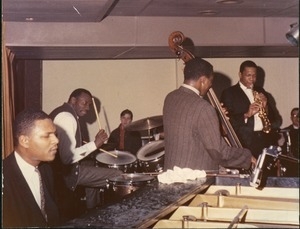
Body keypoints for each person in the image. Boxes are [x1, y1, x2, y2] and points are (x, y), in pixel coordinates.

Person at [163, 57, 256, 172]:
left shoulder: (170, 98)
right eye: (210, 81)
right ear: (202, 80)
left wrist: (216, 119)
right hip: (194, 178)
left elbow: (192, 131)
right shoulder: (203, 108)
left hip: (171, 173)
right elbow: (220, 153)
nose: (210, 86)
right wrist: (248, 157)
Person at [49, 88, 122, 211]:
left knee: (92, 164)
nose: (88, 108)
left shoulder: (61, 112)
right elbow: (67, 158)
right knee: (118, 175)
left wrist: (93, 144)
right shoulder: (67, 117)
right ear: (73, 100)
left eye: (89, 104)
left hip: (58, 170)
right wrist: (95, 144)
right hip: (65, 175)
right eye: (84, 103)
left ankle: (92, 210)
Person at [3, 109, 60, 227]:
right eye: (46, 136)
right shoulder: (5, 177)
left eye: (55, 134)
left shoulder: (46, 170)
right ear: (24, 141)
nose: (56, 140)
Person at [220, 60, 281, 159]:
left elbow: (275, 120)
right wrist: (246, 114)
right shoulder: (229, 93)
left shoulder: (261, 91)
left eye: (254, 76)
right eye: (248, 75)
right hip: (244, 143)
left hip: (264, 140)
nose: (252, 79)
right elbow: (227, 122)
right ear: (240, 74)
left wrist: (265, 107)